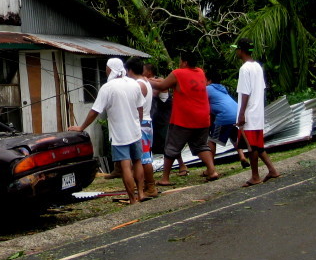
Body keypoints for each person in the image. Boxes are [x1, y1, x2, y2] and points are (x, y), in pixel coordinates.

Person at [70, 57, 146, 204]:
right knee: (137, 161)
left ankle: (132, 199)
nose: (105, 71)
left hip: (119, 134)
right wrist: (138, 123)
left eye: (106, 68)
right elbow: (140, 107)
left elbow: (94, 111)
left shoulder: (107, 88)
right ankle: (141, 193)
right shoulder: (133, 83)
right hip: (135, 130)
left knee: (125, 166)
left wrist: (81, 127)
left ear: (110, 69)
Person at [149, 51, 220, 184]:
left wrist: (143, 80)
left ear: (185, 62)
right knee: (201, 146)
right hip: (203, 117)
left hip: (184, 118)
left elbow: (162, 86)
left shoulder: (178, 73)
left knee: (171, 147)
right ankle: (212, 170)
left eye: (181, 61)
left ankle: (165, 178)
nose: (179, 63)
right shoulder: (200, 72)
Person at [235, 38, 280, 185]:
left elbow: (245, 92)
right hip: (257, 111)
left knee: (252, 146)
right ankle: (272, 170)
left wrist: (241, 113)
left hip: (249, 112)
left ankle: (255, 176)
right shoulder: (257, 67)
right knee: (258, 144)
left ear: (241, 50)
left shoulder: (244, 69)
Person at [126, 58, 158, 199]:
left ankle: (151, 186)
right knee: (144, 157)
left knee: (144, 158)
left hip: (141, 122)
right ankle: (147, 185)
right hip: (146, 122)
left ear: (130, 70)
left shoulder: (138, 84)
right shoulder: (145, 81)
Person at [205, 68, 247, 167]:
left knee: (212, 140)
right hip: (236, 114)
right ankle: (242, 157)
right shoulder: (222, 88)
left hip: (224, 117)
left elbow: (201, 103)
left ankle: (210, 167)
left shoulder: (208, 89)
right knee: (233, 136)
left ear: (209, 80)